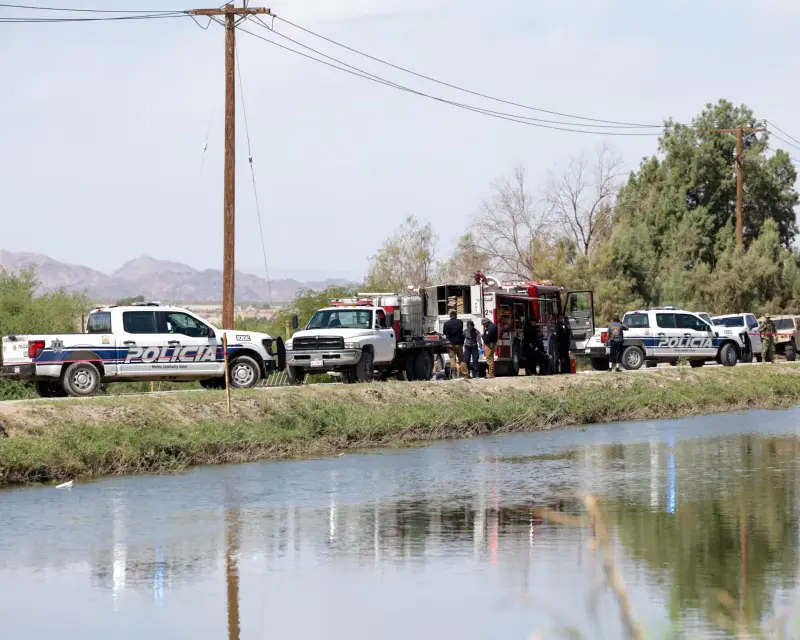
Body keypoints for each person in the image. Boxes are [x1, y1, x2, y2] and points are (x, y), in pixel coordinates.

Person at [443, 310, 467, 378]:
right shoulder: (460, 322)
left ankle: (454, 374)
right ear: (456, 315)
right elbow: (461, 331)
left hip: (450, 343)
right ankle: (464, 374)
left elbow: (445, 333)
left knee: (452, 359)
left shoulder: (446, 323)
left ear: (450, 316)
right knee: (461, 358)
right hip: (459, 343)